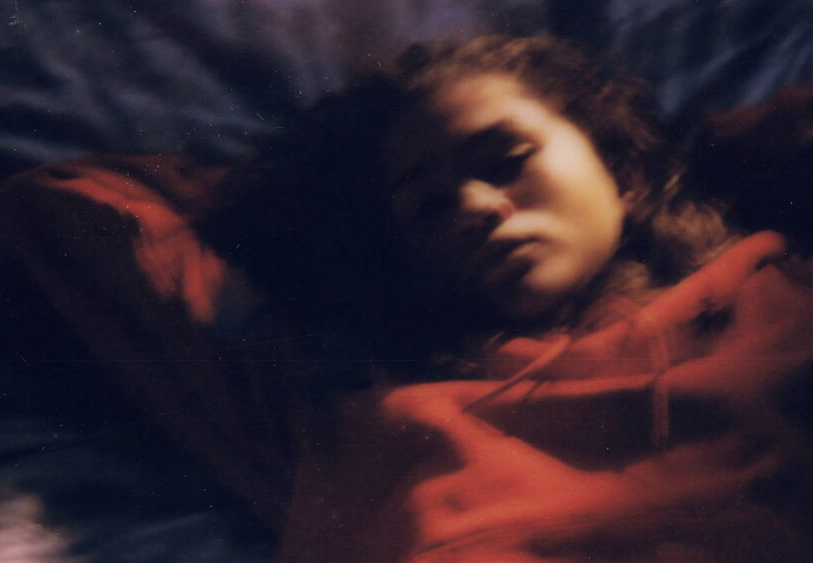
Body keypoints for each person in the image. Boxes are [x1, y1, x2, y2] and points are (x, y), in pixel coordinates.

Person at [200, 35, 813, 561]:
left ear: (622, 170)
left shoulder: (780, 303)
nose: (472, 207)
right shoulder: (386, 414)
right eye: (429, 208)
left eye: (505, 161)